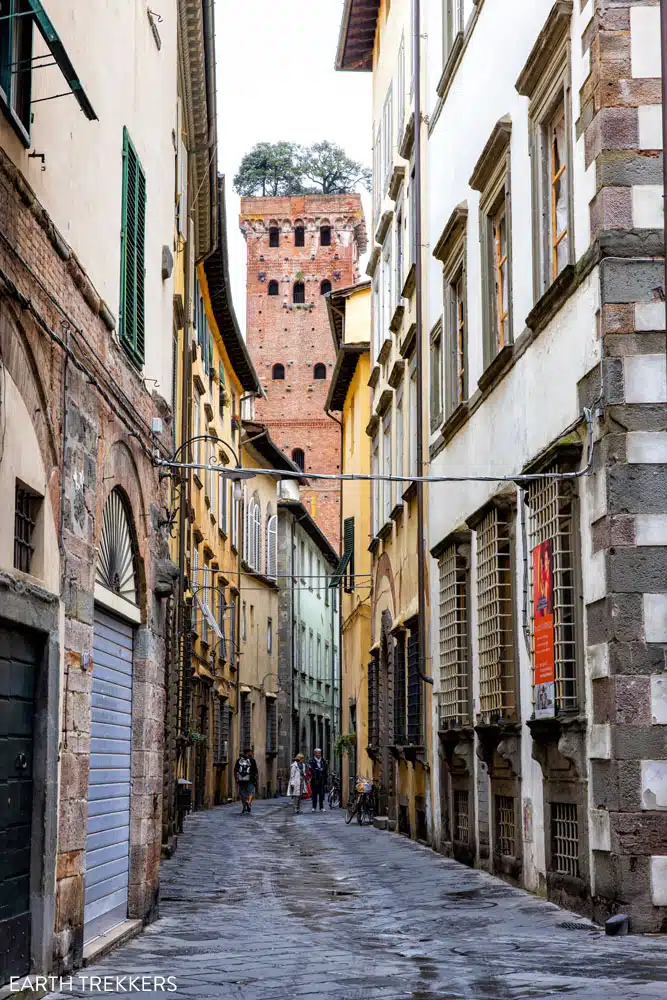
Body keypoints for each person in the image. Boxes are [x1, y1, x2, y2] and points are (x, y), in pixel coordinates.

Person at [234, 748, 258, 814]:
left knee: (243, 793)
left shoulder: (239, 760)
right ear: (248, 752)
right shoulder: (252, 760)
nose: (251, 753)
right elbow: (255, 771)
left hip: (241, 778)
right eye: (250, 752)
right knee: (251, 792)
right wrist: (256, 779)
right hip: (251, 778)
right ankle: (249, 802)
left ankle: (244, 807)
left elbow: (235, 770)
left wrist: (236, 778)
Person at [308, 748, 328, 812]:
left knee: (321, 794)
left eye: (320, 753)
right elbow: (311, 769)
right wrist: (317, 770)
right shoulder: (311, 761)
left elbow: (325, 769)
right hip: (314, 780)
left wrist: (322, 771)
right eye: (318, 753)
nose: (319, 754)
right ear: (314, 753)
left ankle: (321, 807)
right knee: (314, 794)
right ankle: (314, 807)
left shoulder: (323, 760)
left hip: (321, 780)